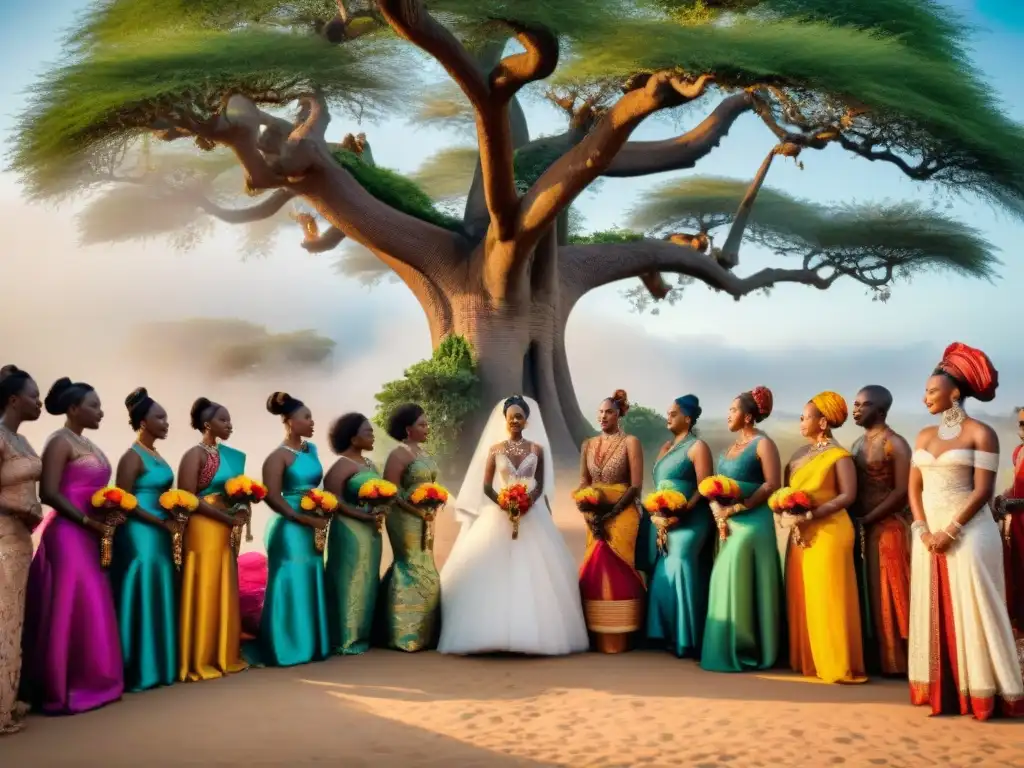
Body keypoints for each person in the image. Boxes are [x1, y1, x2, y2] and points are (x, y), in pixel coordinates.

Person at [908, 342, 1023, 719]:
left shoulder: (982, 433)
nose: (925, 397)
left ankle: (988, 695)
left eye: (931, 390)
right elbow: (914, 488)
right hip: (928, 536)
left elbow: (983, 490)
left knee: (978, 609)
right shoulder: (923, 436)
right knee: (936, 608)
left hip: (971, 532)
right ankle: (946, 693)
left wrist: (951, 530)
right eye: (925, 391)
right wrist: (924, 529)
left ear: (954, 393)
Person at [439, 395, 588, 655]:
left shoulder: (537, 450)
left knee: (536, 569)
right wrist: (503, 502)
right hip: (499, 513)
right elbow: (485, 485)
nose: (515, 421)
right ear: (505, 421)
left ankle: (534, 635)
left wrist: (528, 500)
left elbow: (540, 484)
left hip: (532, 514)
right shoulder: (495, 450)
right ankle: (489, 633)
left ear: (526, 420)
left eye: (520, 417)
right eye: (511, 417)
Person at [20, 378, 124, 714]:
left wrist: (109, 511)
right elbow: (49, 493)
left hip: (91, 533)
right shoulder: (59, 441)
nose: (100, 411)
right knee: (71, 602)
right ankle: (62, 685)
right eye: (93, 405)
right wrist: (87, 522)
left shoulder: (87, 443)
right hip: (68, 533)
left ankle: (95, 678)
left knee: (91, 602)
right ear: (73, 409)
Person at [780, 392, 866, 684]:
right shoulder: (798, 455)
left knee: (828, 596)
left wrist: (811, 515)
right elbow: (785, 490)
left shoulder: (839, 456)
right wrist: (787, 513)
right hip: (799, 532)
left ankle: (835, 664)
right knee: (803, 596)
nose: (801, 421)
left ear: (823, 422)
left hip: (830, 531)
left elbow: (848, 495)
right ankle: (810, 660)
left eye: (805, 417)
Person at [701, 387, 783, 673]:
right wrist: (717, 508)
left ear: (748, 416)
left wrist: (738, 507)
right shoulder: (728, 449)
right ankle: (727, 645)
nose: (728, 415)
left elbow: (772, 484)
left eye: (733, 410)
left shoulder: (763, 444)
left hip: (752, 522)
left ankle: (749, 648)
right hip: (727, 522)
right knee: (724, 579)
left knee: (733, 571)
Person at [247, 392, 329, 667]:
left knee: (311, 575)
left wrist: (321, 508)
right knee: (291, 579)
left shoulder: (313, 450)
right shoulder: (277, 457)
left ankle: (311, 643)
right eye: (306, 417)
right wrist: (302, 518)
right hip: (290, 527)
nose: (312, 422)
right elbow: (271, 496)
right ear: (290, 422)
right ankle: (286, 648)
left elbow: (318, 485)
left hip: (314, 520)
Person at [176, 397, 249, 681]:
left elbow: (235, 491)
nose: (229, 425)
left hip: (224, 528)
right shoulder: (194, 455)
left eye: (230, 420)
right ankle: (199, 658)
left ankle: (223, 654)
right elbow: (188, 497)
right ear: (207, 424)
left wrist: (242, 505)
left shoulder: (229, 455)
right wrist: (226, 518)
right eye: (223, 420)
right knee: (204, 585)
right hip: (202, 529)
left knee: (223, 585)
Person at [110, 388, 177, 692]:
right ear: (143, 422)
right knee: (142, 589)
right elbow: (124, 501)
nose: (166, 422)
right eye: (159, 417)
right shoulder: (131, 457)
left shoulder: (156, 455)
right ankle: (137, 668)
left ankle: (159, 665)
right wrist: (161, 521)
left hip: (161, 531)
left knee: (159, 589)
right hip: (140, 534)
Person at [643, 395, 714, 658]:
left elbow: (704, 488)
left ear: (688, 417)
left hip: (691, 519)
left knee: (681, 559)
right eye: (667, 412)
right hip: (662, 518)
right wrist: (658, 514)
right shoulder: (665, 447)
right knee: (662, 567)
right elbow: (658, 485)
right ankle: (664, 633)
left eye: (673, 413)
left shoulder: (698, 447)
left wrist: (681, 511)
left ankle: (688, 637)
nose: (668, 417)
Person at [576, 389, 647, 653]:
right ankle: (595, 633)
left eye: (608, 412)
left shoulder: (631, 442)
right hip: (594, 515)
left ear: (619, 415)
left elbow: (635, 487)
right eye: (600, 412)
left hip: (622, 514)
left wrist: (610, 514)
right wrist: (590, 514)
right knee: (594, 566)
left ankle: (625, 634)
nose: (603, 416)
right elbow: (584, 483)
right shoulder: (588, 444)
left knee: (619, 567)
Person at [850, 386, 913, 677]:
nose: (857, 409)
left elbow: (902, 491)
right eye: (856, 404)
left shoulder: (895, 444)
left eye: (865, 405)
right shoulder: (855, 445)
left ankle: (902, 662)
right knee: (868, 591)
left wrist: (870, 518)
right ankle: (876, 658)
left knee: (891, 592)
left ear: (882, 411)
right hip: (861, 526)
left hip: (889, 528)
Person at [378, 404, 441, 652]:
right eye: (422, 424)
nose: (427, 428)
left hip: (426, 517)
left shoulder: (424, 454)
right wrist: (417, 511)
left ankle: (424, 632)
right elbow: (390, 492)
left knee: (426, 565)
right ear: (407, 429)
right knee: (410, 565)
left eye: (427, 424)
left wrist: (433, 504)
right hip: (404, 517)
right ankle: (403, 634)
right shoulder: (398, 454)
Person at [0, 366, 42, 734]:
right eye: (33, 395)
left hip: (20, 539)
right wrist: (19, 508)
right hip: (1, 536)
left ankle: (8, 699)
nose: (39, 402)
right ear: (13, 400)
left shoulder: (24, 442)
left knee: (13, 620)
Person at [323, 413, 387, 655]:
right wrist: (362, 515)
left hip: (372, 529)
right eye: (367, 432)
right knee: (348, 577)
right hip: (349, 529)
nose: (372, 436)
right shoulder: (341, 466)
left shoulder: (371, 465)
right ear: (352, 438)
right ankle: (344, 637)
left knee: (367, 577)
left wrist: (380, 508)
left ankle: (363, 633)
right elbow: (333, 500)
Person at [994, 406, 1024, 637]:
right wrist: (1002, 497)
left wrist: (1009, 504)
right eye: (1020, 424)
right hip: (1017, 524)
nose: (1020, 430)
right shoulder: (1019, 452)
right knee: (1016, 570)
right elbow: (1016, 487)